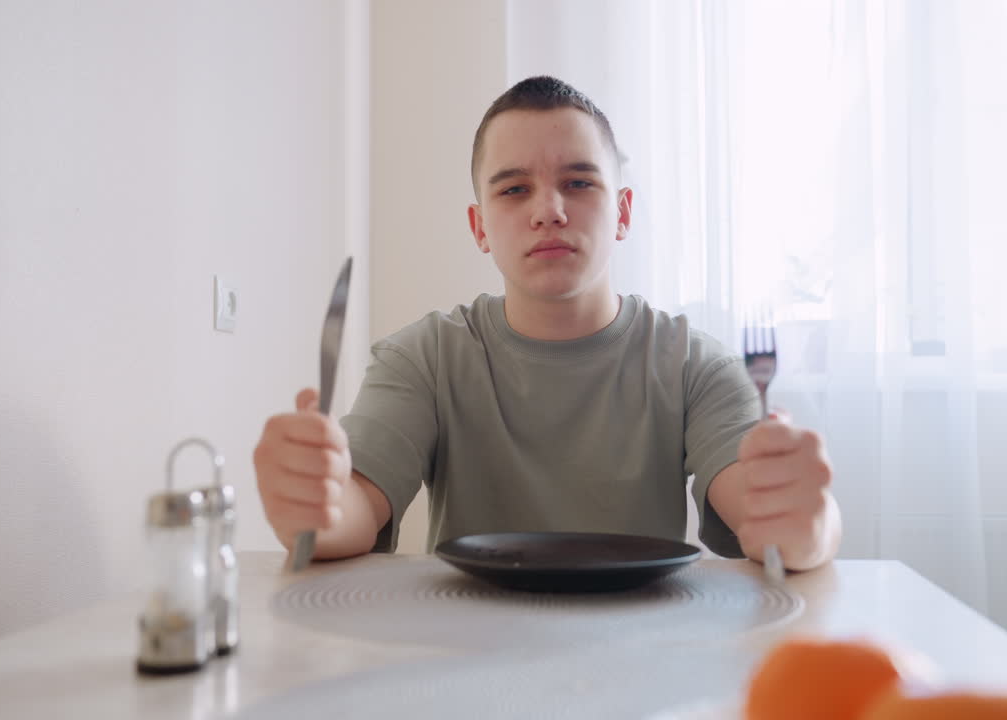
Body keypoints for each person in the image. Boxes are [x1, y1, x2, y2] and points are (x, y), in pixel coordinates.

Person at [254, 76, 841, 571]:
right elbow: (355, 509)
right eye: (514, 189)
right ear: (479, 226)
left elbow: (770, 525)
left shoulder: (694, 363)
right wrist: (316, 502)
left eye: (579, 183)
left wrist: (807, 522)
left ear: (624, 212)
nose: (549, 211)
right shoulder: (423, 357)